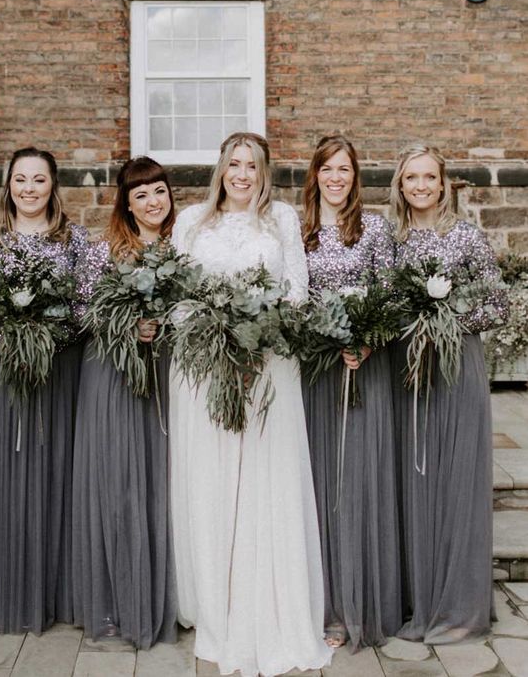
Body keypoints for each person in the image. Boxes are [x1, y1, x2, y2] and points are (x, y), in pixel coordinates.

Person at [169, 132, 331, 677]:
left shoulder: (281, 219)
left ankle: (268, 601)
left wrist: (258, 337)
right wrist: (218, 336)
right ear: (221, 168)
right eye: (234, 164)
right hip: (205, 367)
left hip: (268, 367)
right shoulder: (192, 220)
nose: (242, 174)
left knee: (265, 478)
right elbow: (176, 296)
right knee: (213, 481)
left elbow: (298, 292)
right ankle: (217, 604)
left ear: (265, 174)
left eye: (253, 166)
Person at [0, 146, 99, 635]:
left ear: (53, 185)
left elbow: (86, 306)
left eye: (39, 180)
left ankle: (53, 594)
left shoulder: (76, 240)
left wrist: (43, 340)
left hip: (57, 373)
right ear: (8, 185)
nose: (30, 189)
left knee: (52, 474)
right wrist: (8, 341)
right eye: (21, 179)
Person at [390, 143, 508, 643]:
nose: (420, 186)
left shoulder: (464, 236)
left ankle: (457, 606)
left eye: (428, 178)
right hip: (406, 372)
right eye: (410, 178)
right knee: (414, 481)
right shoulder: (390, 239)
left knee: (455, 481)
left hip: (457, 370)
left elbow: (499, 302)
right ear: (399, 185)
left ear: (443, 184)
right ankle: (418, 596)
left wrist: (449, 322)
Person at [301, 133, 401, 651]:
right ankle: (323, 604)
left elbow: (391, 298)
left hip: (366, 372)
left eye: (345, 169)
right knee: (319, 486)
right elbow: (291, 301)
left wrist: (366, 341)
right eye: (327, 169)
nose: (336, 178)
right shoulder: (298, 231)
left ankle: (360, 602)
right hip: (316, 375)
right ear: (314, 175)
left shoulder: (376, 230)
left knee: (359, 482)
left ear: (355, 177)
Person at [72, 156, 177, 648]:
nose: (153, 201)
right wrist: (127, 326)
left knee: (161, 482)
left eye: (159, 190)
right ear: (127, 205)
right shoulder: (106, 250)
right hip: (113, 376)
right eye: (141, 195)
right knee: (119, 482)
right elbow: (82, 311)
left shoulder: (184, 247)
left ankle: (162, 594)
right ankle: (115, 600)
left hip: (166, 374)